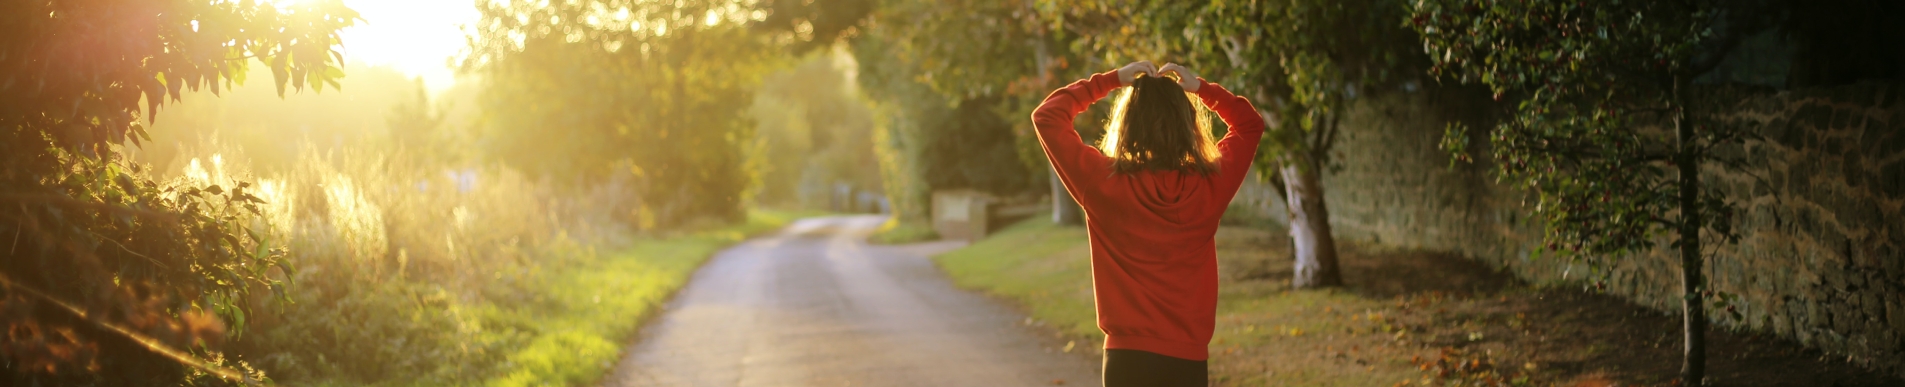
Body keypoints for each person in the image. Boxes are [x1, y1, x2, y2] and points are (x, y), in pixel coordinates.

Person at [1031, 61, 1265, 386]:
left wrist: (1111, 80)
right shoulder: (1209, 185)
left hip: (1126, 360)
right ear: (1187, 124)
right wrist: (1201, 89)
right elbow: (1249, 125)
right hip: (1188, 361)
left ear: (1127, 124)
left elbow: (1048, 116)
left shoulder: (1102, 183)